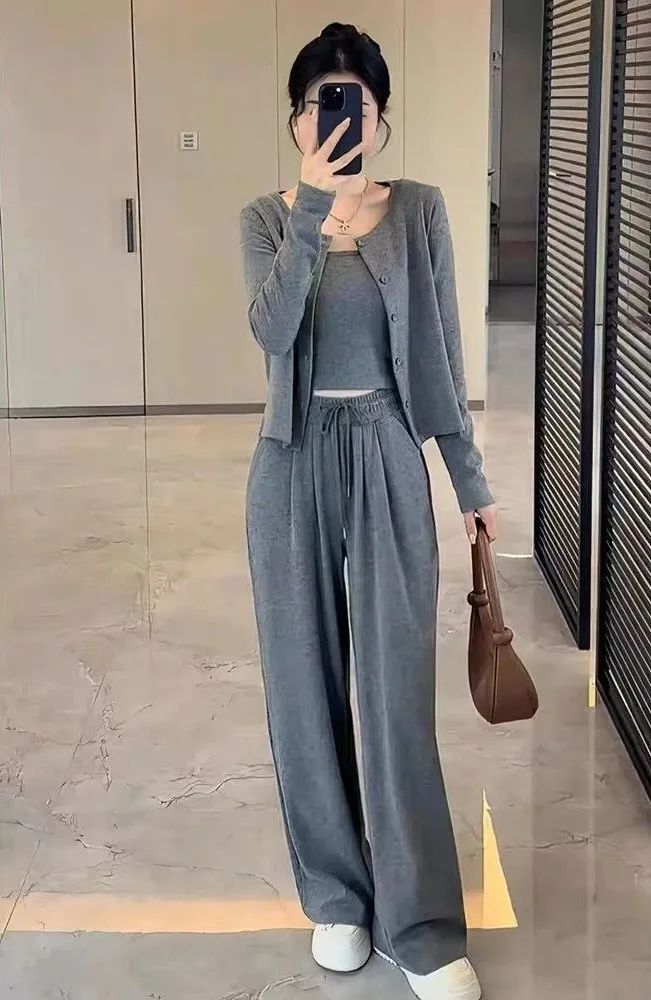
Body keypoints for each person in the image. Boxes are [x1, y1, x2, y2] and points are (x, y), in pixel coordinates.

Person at [239, 22, 496, 1000]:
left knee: (395, 692)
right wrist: (313, 205)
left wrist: (467, 480)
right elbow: (272, 331)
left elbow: (440, 351)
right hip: (291, 458)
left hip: (388, 447)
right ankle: (338, 899)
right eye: (322, 103)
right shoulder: (266, 218)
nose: (340, 119)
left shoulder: (419, 209)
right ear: (297, 118)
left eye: (358, 103)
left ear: (381, 119)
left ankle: (419, 924)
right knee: (301, 688)